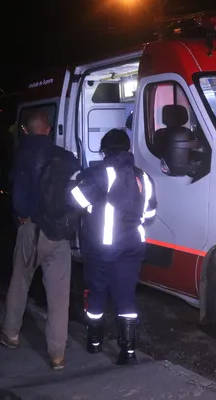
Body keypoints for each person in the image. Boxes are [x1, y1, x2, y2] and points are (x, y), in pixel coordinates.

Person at [0, 110, 80, 370]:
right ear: (49, 130)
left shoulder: (22, 155)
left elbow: (18, 198)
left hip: (30, 229)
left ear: (26, 131)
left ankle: (10, 334)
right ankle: (57, 355)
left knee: (20, 282)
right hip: (58, 234)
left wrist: (22, 217)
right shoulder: (66, 157)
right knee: (59, 296)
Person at [69, 128, 157, 365]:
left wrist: (90, 208)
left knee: (96, 293)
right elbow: (150, 213)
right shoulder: (143, 177)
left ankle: (95, 343)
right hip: (132, 247)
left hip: (101, 247)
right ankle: (128, 352)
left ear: (105, 150)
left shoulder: (96, 174)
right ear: (127, 149)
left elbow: (75, 199)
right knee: (126, 296)